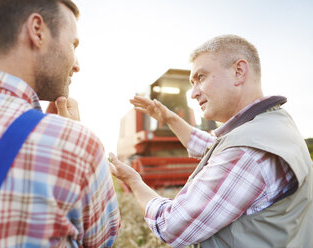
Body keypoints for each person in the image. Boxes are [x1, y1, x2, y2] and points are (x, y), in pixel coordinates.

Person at [0, 0, 120, 247]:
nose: (77, 64)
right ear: (37, 30)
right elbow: (103, 242)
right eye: (73, 44)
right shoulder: (78, 147)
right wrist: (72, 136)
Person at [109, 34, 313, 248]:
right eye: (192, 83)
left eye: (201, 77)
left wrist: (135, 181)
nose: (193, 94)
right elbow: (215, 147)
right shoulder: (274, 124)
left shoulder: (245, 152)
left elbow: (171, 226)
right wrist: (170, 119)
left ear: (238, 72)